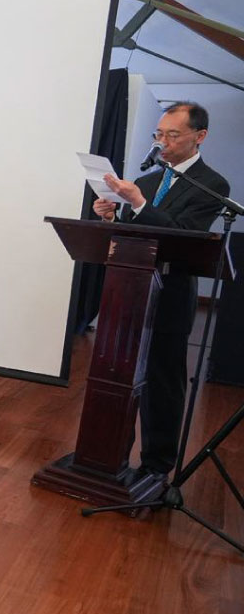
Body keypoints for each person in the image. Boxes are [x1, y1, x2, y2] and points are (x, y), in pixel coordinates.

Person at [94, 101, 230, 480]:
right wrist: (112, 215)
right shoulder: (151, 180)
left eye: (173, 135)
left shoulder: (213, 184)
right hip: (130, 292)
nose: (163, 143)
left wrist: (136, 202)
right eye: (159, 134)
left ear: (199, 136)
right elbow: (136, 231)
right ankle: (109, 455)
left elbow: (182, 233)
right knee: (117, 376)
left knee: (162, 384)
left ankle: (156, 466)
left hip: (170, 295)